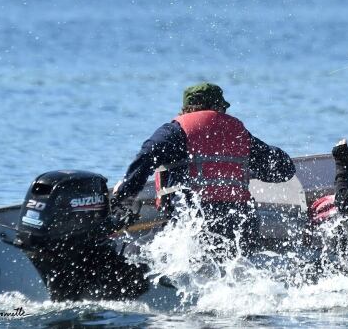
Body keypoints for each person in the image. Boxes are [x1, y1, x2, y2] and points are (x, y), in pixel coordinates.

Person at [111, 82, 296, 249]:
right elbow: (283, 169)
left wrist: (124, 194)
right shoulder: (239, 133)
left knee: (132, 253)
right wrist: (247, 170)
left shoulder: (175, 131)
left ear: (185, 109)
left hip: (192, 225)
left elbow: (146, 157)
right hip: (241, 226)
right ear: (219, 107)